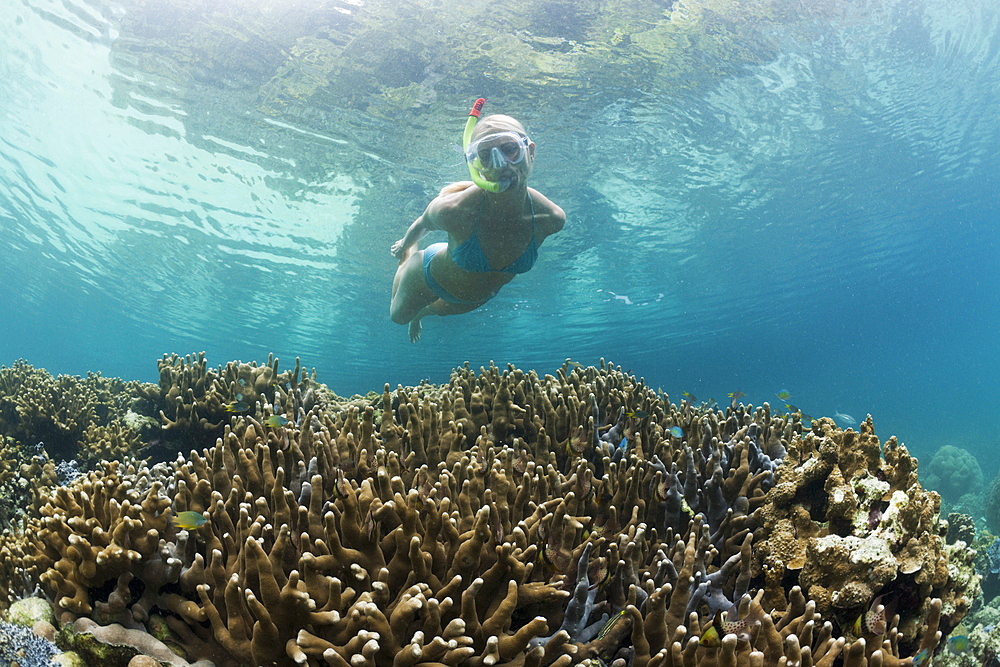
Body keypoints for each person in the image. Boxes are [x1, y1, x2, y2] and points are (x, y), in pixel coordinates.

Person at [390, 101, 565, 342]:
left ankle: (419, 316)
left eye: (509, 148)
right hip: (426, 275)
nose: (501, 163)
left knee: (428, 311)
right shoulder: (456, 209)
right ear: (475, 164)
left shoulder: (550, 219)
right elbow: (423, 223)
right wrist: (403, 246)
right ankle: (408, 260)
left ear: (530, 152)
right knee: (397, 317)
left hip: (472, 300)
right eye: (485, 155)